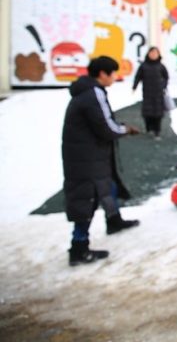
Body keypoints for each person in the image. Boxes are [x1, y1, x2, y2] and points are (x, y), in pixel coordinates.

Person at [62, 56, 141, 266]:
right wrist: (126, 129)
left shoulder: (87, 92)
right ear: (103, 74)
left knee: (109, 186)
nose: (115, 77)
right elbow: (107, 127)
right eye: (113, 73)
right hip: (86, 158)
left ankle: (113, 220)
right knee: (86, 199)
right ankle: (79, 248)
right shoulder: (93, 93)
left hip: (88, 154)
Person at [131, 46, 169, 139]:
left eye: (156, 53)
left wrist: (163, 86)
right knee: (147, 113)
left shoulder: (161, 66)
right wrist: (134, 86)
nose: (153, 55)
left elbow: (166, 77)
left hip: (158, 94)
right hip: (147, 93)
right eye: (152, 53)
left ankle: (157, 131)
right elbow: (138, 77)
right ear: (148, 54)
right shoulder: (143, 66)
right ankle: (149, 128)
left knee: (158, 113)